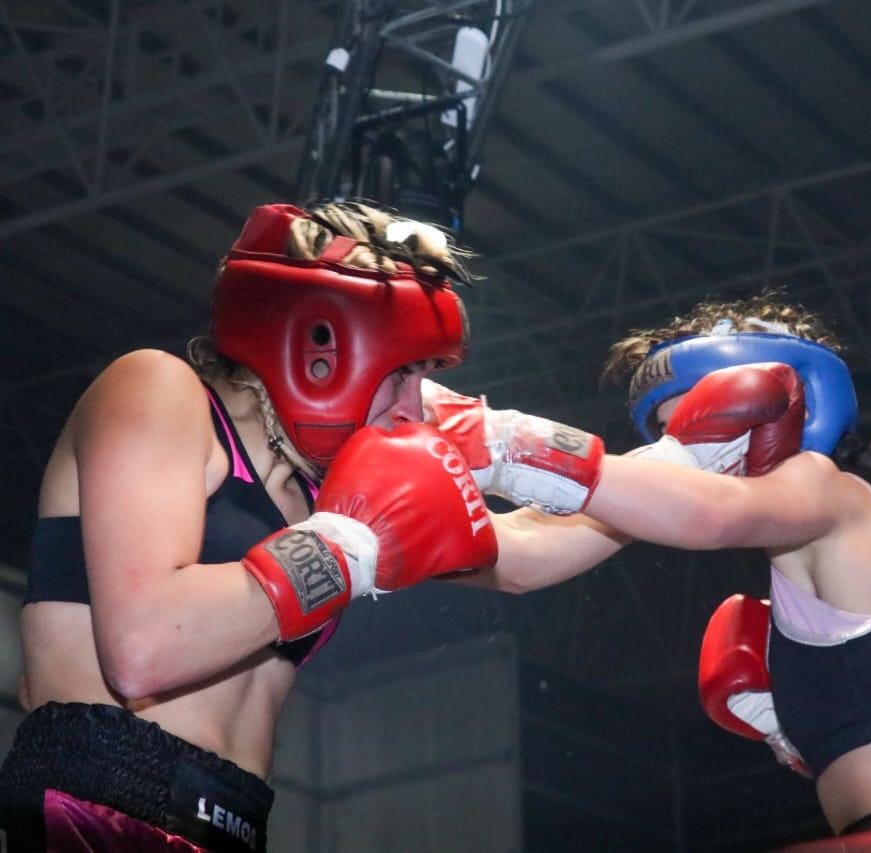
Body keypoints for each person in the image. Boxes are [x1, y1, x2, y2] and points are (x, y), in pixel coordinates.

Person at [0, 201, 500, 852]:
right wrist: (349, 544)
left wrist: (654, 454)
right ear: (320, 346)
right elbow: (142, 650)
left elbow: (524, 555)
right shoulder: (158, 390)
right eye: (402, 370)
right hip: (99, 811)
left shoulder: (328, 495)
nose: (413, 409)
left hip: (236, 822)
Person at [428, 290, 871, 839]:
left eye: (714, 422)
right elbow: (529, 559)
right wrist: (400, 539)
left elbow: (708, 517)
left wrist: (492, 436)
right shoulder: (819, 549)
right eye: (677, 433)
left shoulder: (833, 492)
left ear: (781, 400)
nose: (700, 453)